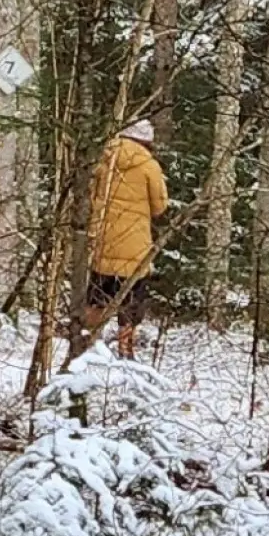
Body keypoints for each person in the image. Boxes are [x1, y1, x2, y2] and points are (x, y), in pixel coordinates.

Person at [84, 118, 169, 359]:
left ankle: (89, 343)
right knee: (131, 299)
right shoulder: (148, 165)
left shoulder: (104, 159)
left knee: (97, 297)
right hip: (135, 246)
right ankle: (125, 349)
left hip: (103, 240)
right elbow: (160, 206)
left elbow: (90, 197)